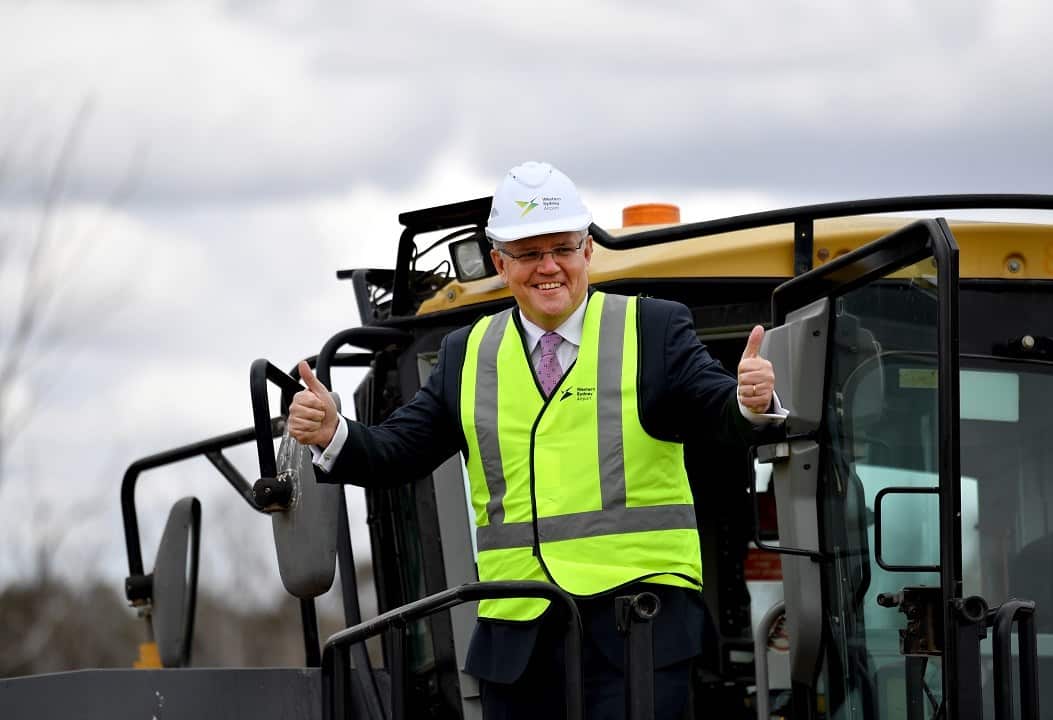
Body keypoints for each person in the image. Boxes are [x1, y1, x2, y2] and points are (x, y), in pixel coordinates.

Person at [288, 161, 785, 719]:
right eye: (528, 253)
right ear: (501, 263)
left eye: (563, 249)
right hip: (517, 645)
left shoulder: (653, 329)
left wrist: (750, 402)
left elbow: (715, 411)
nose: (549, 267)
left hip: (636, 634)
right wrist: (335, 433)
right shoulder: (466, 353)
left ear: (587, 252)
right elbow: (400, 449)